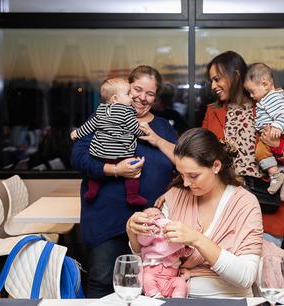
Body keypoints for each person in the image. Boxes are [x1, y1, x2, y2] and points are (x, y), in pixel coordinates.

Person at [70, 65, 178, 298]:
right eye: (137, 89)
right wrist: (114, 169)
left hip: (150, 227)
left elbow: (184, 164)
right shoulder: (105, 114)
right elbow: (78, 157)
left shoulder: (162, 126)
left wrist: (170, 192)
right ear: (127, 89)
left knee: (148, 288)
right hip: (106, 220)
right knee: (103, 282)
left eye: (150, 93)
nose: (142, 97)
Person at [127, 128, 263, 298]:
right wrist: (132, 233)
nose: (185, 183)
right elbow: (152, 258)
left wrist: (196, 239)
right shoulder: (175, 196)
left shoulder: (245, 203)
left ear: (216, 166)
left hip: (228, 298)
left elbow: (246, 277)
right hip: (177, 297)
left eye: (193, 175)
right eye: (181, 174)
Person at [202, 51, 284, 247]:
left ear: (236, 75)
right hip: (225, 210)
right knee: (228, 273)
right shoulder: (212, 112)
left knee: (264, 274)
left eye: (217, 79)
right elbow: (200, 157)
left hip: (265, 208)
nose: (213, 86)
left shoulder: (267, 105)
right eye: (211, 81)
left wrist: (276, 146)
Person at [70, 78, 147, 206]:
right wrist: (143, 133)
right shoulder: (126, 113)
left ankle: (92, 191)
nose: (132, 96)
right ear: (116, 99)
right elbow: (134, 128)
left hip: (101, 152)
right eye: (128, 93)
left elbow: (90, 126)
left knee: (95, 175)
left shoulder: (100, 112)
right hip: (122, 154)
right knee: (133, 173)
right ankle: (132, 196)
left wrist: (77, 133)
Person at [243, 63, 284, 200]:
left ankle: (275, 176)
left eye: (252, 91)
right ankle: (281, 177)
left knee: (260, 152)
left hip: (277, 132)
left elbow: (283, 114)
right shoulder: (274, 96)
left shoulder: (272, 99)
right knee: (269, 156)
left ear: (265, 85)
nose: (251, 95)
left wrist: (277, 129)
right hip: (277, 132)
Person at [137, 207, 192, 298]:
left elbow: (183, 250)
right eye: (150, 216)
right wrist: (151, 233)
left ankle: (177, 299)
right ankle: (153, 295)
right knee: (146, 278)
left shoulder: (171, 234)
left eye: (159, 214)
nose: (155, 215)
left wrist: (186, 247)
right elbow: (141, 241)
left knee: (180, 282)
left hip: (171, 278)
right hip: (152, 275)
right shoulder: (145, 236)